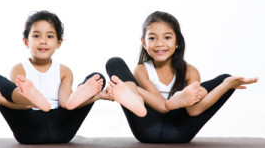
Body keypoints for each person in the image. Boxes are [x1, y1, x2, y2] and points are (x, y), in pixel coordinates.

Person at [105, 11, 258, 143]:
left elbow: (193, 111)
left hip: (179, 131)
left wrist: (226, 86)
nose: (159, 44)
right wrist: (170, 101)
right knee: (114, 62)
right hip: (146, 127)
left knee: (226, 79)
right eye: (152, 38)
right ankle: (133, 96)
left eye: (167, 37)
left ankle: (132, 93)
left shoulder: (190, 71)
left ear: (177, 41)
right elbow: (161, 106)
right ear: (143, 43)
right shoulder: (141, 70)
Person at [0, 10, 110, 144]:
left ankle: (78, 92)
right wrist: (2, 99)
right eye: (36, 36)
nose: (43, 41)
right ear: (26, 41)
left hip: (60, 127)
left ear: (59, 43)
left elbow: (66, 104)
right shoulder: (19, 69)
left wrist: (96, 96)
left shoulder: (64, 71)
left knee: (97, 77)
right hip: (32, 127)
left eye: (50, 36)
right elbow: (23, 106)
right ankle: (32, 100)